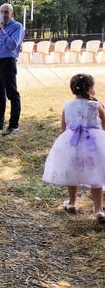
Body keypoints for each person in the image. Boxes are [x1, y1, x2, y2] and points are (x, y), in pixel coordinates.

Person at [42, 73, 105, 223]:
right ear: (90, 88)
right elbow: (104, 121)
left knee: (72, 171)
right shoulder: (96, 105)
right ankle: (99, 210)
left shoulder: (68, 105)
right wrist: (100, 132)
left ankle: (71, 202)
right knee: (96, 175)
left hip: (72, 143)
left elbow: (64, 126)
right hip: (94, 143)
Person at [0, 3, 24, 135]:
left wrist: (1, 31)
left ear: (12, 14)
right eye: (2, 12)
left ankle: (13, 125)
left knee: (12, 94)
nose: (3, 14)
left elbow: (12, 45)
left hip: (7, 62)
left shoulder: (17, 27)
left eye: (6, 12)